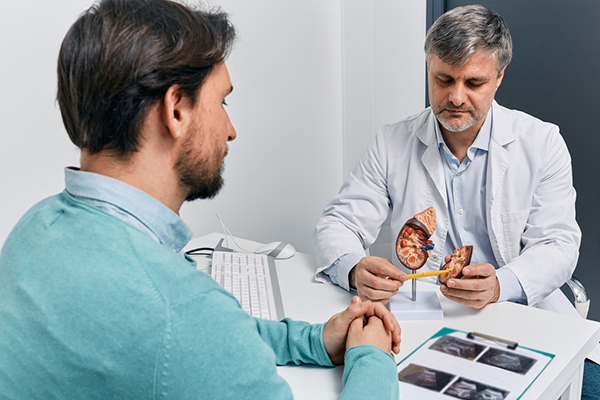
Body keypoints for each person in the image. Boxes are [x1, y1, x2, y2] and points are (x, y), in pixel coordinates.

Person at [0, 0, 401, 398]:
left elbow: (198, 338)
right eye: (222, 101)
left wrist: (311, 341)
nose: (230, 130)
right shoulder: (179, 312)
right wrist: (371, 357)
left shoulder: (33, 229)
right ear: (176, 110)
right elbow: (192, 332)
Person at [313, 4, 600, 397]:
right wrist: (353, 268)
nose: (456, 97)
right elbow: (339, 223)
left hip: (522, 317)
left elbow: (559, 244)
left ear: (499, 77)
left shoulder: (542, 143)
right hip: (423, 322)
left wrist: (502, 284)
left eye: (474, 82)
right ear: (428, 67)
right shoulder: (391, 141)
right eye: (443, 78)